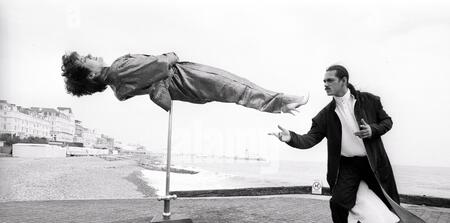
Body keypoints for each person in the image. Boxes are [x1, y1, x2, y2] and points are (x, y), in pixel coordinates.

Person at [270, 65, 426, 223]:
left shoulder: (370, 101)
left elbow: (388, 122)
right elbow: (310, 139)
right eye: (324, 81)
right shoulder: (325, 115)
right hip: (347, 166)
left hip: (373, 162)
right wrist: (291, 137)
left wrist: (373, 130)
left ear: (344, 81)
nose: (325, 85)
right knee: (337, 203)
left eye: (329, 81)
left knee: (388, 200)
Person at [61, 51, 309, 115]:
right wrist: (172, 54)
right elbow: (161, 64)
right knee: (237, 86)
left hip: (185, 90)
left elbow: (151, 80)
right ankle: (283, 102)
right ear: (91, 75)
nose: (92, 56)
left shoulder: (118, 90)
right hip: (186, 76)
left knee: (236, 92)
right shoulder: (118, 68)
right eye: (86, 59)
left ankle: (281, 104)